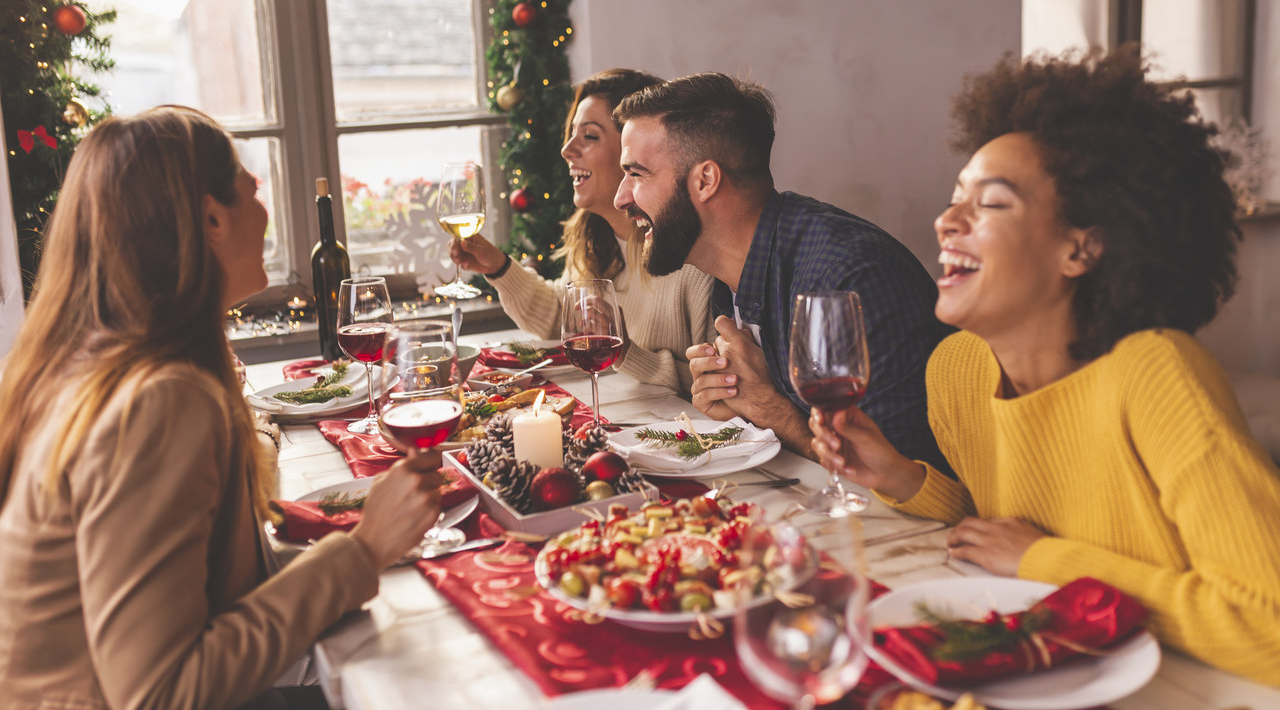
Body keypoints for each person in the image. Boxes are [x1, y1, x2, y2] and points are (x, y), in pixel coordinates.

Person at [811, 47, 1280, 684]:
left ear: (1080, 249)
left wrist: (1050, 563)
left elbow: (1268, 624)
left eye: (992, 204)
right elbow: (1002, 531)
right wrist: (902, 478)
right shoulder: (958, 369)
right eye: (956, 199)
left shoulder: (1158, 374)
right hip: (1056, 672)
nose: (947, 221)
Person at [0, 107, 446, 708]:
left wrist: (368, 553)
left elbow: (208, 586)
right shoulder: (157, 400)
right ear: (211, 217)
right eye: (251, 189)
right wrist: (362, 550)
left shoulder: (100, 367)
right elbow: (162, 692)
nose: (264, 210)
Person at [611, 72, 951, 468]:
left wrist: (770, 411)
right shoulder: (728, 276)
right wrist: (743, 411)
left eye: (636, 173)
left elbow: (904, 480)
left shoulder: (847, 280)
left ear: (705, 180)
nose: (621, 197)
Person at [450, 69, 714, 396]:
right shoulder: (594, 237)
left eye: (589, 136)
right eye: (572, 133)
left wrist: (625, 351)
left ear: (633, 150)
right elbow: (562, 316)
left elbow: (714, 387)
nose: (566, 150)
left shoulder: (689, 259)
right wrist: (499, 267)